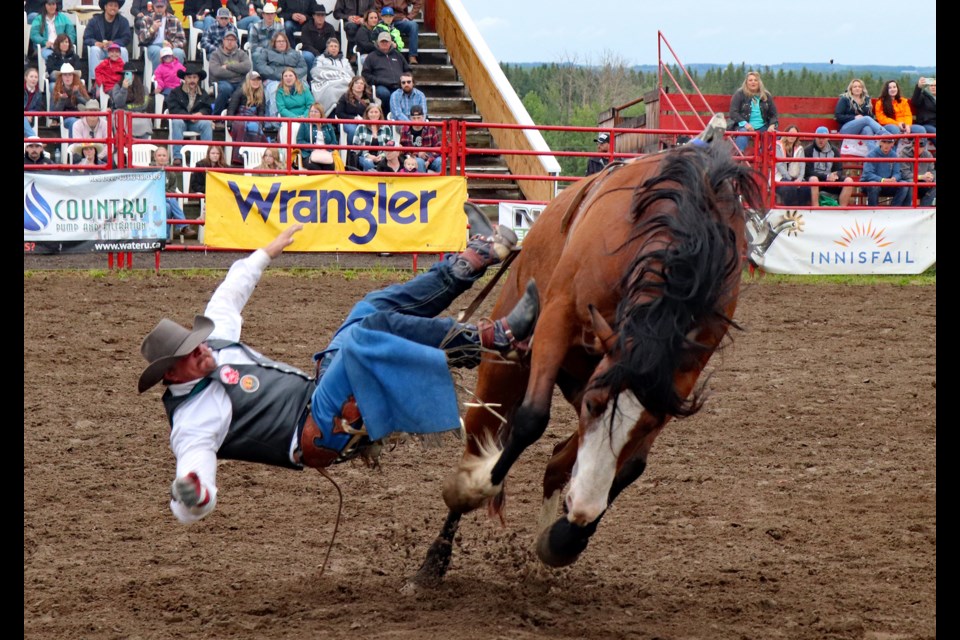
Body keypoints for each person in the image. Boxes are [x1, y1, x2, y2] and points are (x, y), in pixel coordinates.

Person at [136, 211, 538, 524]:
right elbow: (194, 484)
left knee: (369, 309)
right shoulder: (193, 421)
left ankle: (471, 260)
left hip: (320, 391)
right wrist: (193, 494)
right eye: (191, 354)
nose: (202, 350)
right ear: (172, 375)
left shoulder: (216, 342)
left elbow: (230, 290)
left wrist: (268, 250)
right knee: (369, 334)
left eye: (197, 342)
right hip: (316, 432)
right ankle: (493, 338)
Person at [166, 63, 214, 163]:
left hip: (195, 123)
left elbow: (208, 108)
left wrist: (201, 113)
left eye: (194, 77)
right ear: (185, 78)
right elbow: (173, 109)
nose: (192, 80)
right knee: (177, 122)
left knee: (207, 124)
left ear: (198, 79)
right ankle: (177, 157)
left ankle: (206, 157)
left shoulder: (203, 93)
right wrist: (188, 116)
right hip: (182, 121)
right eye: (189, 77)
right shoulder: (175, 92)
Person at [253, 31, 309, 116]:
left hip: (294, 79)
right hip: (274, 79)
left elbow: (303, 67)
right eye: (279, 41)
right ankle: (275, 120)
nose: (281, 43)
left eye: (283, 41)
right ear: (274, 43)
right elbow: (261, 66)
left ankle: (303, 117)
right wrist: (279, 75)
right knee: (275, 90)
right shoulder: (267, 52)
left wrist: (291, 76)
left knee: (305, 88)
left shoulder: (295, 53)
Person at [727, 70, 778, 153]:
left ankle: (767, 155)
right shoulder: (739, 94)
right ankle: (740, 155)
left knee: (778, 136)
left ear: (759, 82)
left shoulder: (766, 95)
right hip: (744, 126)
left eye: (755, 80)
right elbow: (733, 112)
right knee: (743, 134)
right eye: (750, 80)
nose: (753, 82)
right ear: (746, 83)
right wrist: (745, 124)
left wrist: (772, 125)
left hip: (763, 126)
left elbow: (773, 114)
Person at [804, 126, 854, 207]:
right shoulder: (808, 150)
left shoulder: (834, 151)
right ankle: (815, 209)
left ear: (828, 138)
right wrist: (826, 176)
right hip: (816, 180)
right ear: (815, 137)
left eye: (823, 138)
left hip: (830, 180)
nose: (821, 140)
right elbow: (808, 171)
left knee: (849, 181)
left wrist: (835, 175)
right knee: (813, 179)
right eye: (819, 137)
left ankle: (842, 210)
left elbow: (839, 169)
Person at [151, 145, 194, 237]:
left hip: (166, 199)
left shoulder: (171, 172)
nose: (162, 158)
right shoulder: (149, 170)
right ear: (155, 157)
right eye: (159, 155)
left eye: (164, 155)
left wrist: (165, 195)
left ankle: (165, 237)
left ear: (167, 157)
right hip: (152, 197)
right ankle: (182, 226)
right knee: (172, 200)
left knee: (168, 207)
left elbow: (172, 189)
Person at [361, 30, 410, 109]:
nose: (384, 43)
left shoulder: (398, 55)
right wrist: (378, 80)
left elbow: (407, 70)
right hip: (381, 85)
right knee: (384, 93)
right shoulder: (371, 56)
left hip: (399, 85)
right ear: (377, 42)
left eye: (386, 41)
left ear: (390, 42)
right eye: (382, 41)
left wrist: (405, 80)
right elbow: (365, 74)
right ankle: (387, 114)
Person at [208, 30, 251, 117]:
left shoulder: (241, 54)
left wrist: (228, 67)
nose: (230, 42)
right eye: (228, 39)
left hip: (239, 82)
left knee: (245, 89)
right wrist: (239, 72)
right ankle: (216, 116)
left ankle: (241, 116)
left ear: (236, 42)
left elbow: (247, 66)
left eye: (233, 40)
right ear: (223, 41)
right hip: (222, 81)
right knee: (226, 89)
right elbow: (216, 72)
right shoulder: (215, 55)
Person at [834, 78, 885, 149]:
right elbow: (838, 116)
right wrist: (854, 118)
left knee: (868, 130)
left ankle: (873, 156)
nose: (857, 88)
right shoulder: (845, 99)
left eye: (859, 87)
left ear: (862, 89)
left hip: (862, 128)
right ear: (851, 89)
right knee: (866, 119)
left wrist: (863, 119)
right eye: (855, 87)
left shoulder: (866, 100)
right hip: (846, 128)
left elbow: (870, 116)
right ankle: (886, 135)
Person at [110, 60, 155, 139]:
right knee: (119, 118)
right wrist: (124, 89)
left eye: (131, 74)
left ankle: (142, 147)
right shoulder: (117, 87)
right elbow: (118, 104)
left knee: (145, 121)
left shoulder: (144, 88)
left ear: (135, 75)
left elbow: (143, 105)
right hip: (123, 115)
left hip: (139, 115)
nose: (129, 76)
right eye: (126, 74)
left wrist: (127, 107)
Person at [83, 0, 132, 72]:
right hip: (101, 50)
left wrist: (113, 43)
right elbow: (86, 37)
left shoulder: (123, 21)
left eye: (115, 6)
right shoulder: (94, 21)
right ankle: (95, 81)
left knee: (124, 51)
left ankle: (124, 79)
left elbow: (127, 38)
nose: (113, 8)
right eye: (111, 5)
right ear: (105, 7)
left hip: (115, 50)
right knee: (94, 50)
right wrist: (96, 43)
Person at [138, 0, 187, 71]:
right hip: (153, 45)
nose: (159, 9)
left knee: (178, 52)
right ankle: (157, 79)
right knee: (157, 51)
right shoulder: (146, 19)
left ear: (166, 6)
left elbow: (182, 40)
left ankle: (176, 79)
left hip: (170, 45)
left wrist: (172, 45)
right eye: (157, 6)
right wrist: (152, 29)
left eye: (161, 6)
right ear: (153, 6)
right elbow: (141, 40)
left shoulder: (174, 19)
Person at [310, 37, 353, 113]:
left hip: (343, 83)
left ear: (339, 49)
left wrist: (334, 74)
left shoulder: (345, 60)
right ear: (327, 48)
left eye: (336, 46)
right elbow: (315, 72)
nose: (334, 48)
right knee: (331, 92)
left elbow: (351, 74)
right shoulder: (320, 58)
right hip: (327, 83)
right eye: (331, 46)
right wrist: (338, 73)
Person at [861, 138, 909, 207]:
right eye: (884, 142)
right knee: (873, 185)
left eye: (889, 143)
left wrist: (894, 178)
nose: (886, 145)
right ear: (880, 143)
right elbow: (868, 174)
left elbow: (897, 172)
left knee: (904, 184)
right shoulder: (871, 155)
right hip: (873, 183)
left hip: (887, 183)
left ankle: (894, 209)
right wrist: (882, 180)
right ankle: (873, 211)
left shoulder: (894, 155)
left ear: (892, 144)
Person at [228, 70, 268, 147]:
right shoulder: (239, 92)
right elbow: (231, 109)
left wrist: (261, 123)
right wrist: (229, 124)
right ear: (248, 81)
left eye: (258, 80)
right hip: (239, 118)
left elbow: (261, 111)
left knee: (255, 124)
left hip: (253, 118)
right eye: (253, 80)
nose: (256, 82)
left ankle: (255, 151)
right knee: (251, 125)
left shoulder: (261, 94)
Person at [773, 125, 809, 206]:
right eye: (790, 133)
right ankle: (788, 209)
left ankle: (801, 210)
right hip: (779, 177)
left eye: (794, 134)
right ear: (786, 133)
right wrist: (790, 180)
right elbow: (779, 165)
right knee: (789, 188)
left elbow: (802, 165)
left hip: (795, 177)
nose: (792, 136)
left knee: (806, 188)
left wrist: (799, 179)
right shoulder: (778, 145)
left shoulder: (800, 148)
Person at [353, 101, 395, 170]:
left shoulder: (386, 127)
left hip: (382, 156)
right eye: (371, 112)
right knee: (368, 163)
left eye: (376, 112)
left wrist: (382, 155)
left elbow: (390, 145)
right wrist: (368, 155)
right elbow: (355, 146)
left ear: (380, 114)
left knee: (385, 163)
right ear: (367, 114)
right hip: (364, 156)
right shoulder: (361, 127)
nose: (374, 114)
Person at [297, 102, 338, 169]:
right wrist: (313, 147)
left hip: (326, 154)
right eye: (311, 111)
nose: (313, 113)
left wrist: (326, 148)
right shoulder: (304, 124)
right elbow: (299, 141)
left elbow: (334, 142)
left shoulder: (328, 125)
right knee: (315, 167)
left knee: (330, 166)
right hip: (309, 154)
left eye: (315, 112)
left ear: (321, 114)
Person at [51, 63, 90, 133]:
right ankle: (73, 144)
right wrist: (62, 100)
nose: (67, 77)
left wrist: (77, 94)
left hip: (81, 117)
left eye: (70, 75)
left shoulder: (79, 87)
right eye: (65, 75)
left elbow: (89, 104)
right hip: (66, 119)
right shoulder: (57, 90)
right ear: (61, 77)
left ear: (73, 76)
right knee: (74, 122)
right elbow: (54, 114)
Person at [399, 104, 439, 172]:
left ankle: (441, 182)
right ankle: (422, 182)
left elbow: (437, 148)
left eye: (418, 118)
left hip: (430, 157)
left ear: (423, 117)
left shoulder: (432, 128)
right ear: (410, 118)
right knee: (419, 162)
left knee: (439, 161)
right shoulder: (404, 129)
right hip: (413, 158)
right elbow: (403, 149)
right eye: (414, 118)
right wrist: (417, 154)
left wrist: (429, 160)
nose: (416, 121)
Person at [299, 3, 338, 70]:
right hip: (311, 52)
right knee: (307, 56)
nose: (320, 17)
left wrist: (324, 54)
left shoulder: (330, 28)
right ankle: (311, 78)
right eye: (318, 15)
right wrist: (317, 54)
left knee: (332, 56)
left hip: (325, 53)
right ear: (313, 16)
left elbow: (333, 43)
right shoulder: (306, 27)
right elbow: (306, 45)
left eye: (322, 15)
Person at [333, 75, 371, 144]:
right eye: (356, 83)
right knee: (354, 130)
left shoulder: (368, 98)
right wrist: (353, 118)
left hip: (365, 122)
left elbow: (372, 111)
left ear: (364, 86)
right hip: (348, 122)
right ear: (352, 85)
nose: (359, 85)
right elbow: (339, 113)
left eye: (361, 83)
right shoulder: (345, 97)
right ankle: (352, 152)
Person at [898, 139, 936, 207]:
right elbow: (904, 174)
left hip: (923, 182)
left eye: (920, 147)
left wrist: (931, 177)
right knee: (910, 182)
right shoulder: (904, 153)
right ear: (912, 145)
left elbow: (932, 170)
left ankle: (923, 209)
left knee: (935, 183)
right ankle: (907, 208)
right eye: (915, 146)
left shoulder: (928, 154)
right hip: (910, 181)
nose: (918, 148)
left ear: (924, 147)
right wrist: (921, 177)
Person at [911, 77, 935, 146]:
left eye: (935, 86)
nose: (933, 87)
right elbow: (914, 101)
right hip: (926, 124)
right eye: (931, 85)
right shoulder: (924, 96)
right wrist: (919, 87)